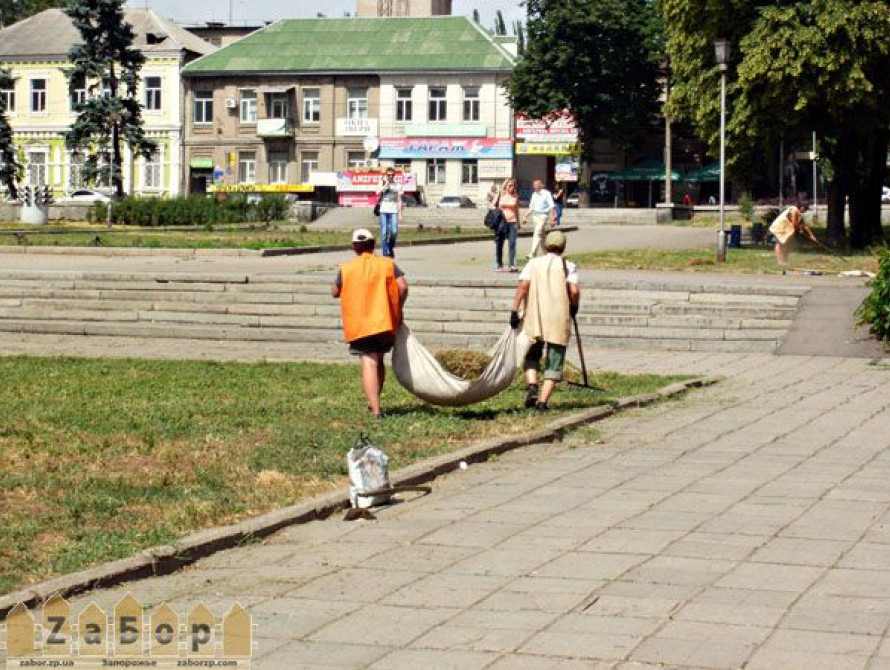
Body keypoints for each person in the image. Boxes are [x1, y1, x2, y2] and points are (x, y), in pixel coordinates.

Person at [332, 229, 409, 418]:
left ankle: (375, 410)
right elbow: (403, 287)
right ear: (373, 245)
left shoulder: (346, 268)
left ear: (354, 247)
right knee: (379, 360)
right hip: (384, 321)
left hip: (360, 323)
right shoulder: (388, 264)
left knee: (369, 362)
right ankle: (374, 401)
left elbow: (335, 292)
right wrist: (397, 309)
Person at [510, 230, 580, 412]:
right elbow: (573, 291)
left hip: (536, 316)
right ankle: (542, 403)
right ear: (563, 247)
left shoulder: (533, 263)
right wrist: (574, 306)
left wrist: (514, 310)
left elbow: (523, 287)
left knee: (532, 354)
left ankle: (532, 385)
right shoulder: (568, 266)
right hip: (558, 317)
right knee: (554, 361)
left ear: (546, 245)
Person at [523, 179, 556, 259]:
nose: (535, 186)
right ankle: (546, 253)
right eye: (534, 185)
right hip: (535, 216)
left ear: (541, 185)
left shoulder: (546, 193)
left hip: (543, 215)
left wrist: (552, 219)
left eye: (536, 185)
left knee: (537, 232)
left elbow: (551, 206)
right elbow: (531, 207)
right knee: (541, 235)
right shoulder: (534, 194)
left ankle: (533, 253)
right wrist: (525, 216)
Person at [377, 168, 403, 258]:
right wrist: (386, 185)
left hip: (393, 211)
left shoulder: (398, 185)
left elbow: (399, 200)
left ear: (394, 175)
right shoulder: (382, 183)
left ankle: (390, 247)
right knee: (384, 232)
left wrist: (400, 214)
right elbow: (377, 192)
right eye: (388, 175)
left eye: (392, 175)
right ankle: (385, 252)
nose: (390, 176)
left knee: (394, 231)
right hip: (383, 210)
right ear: (386, 175)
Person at [496, 178, 521, 272]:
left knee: (512, 244)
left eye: (513, 185)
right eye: (510, 185)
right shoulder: (501, 196)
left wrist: (518, 222)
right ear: (506, 186)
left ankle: (511, 265)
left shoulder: (515, 196)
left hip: (513, 222)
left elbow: (516, 210)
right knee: (500, 244)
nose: (512, 187)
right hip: (502, 222)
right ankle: (499, 264)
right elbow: (499, 208)